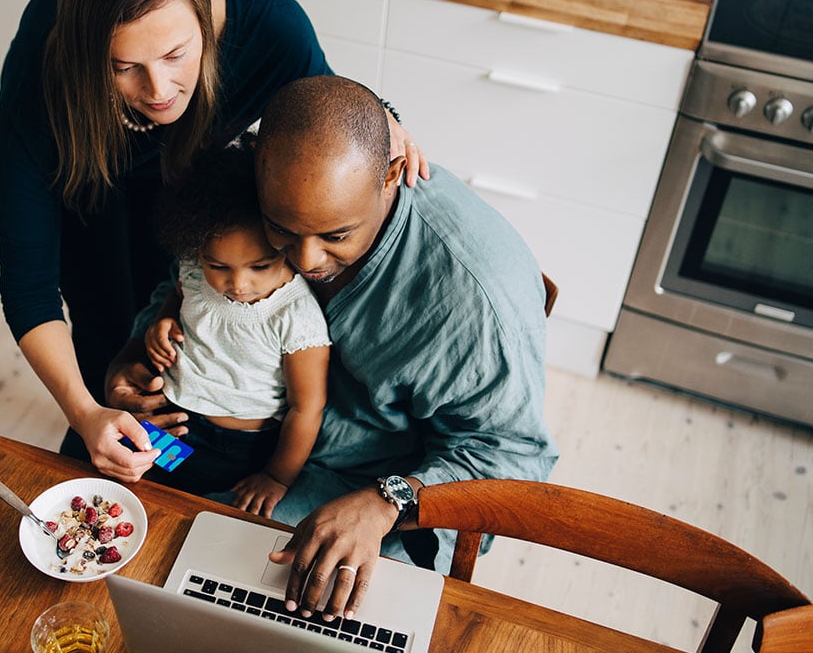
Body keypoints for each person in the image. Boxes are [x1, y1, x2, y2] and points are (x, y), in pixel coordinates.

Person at [108, 74, 557, 622]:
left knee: (229, 597)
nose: (305, 260)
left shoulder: (476, 304)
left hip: (366, 487)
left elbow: (513, 463)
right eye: (280, 230)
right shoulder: (271, 170)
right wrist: (134, 354)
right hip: (229, 432)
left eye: (337, 235)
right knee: (117, 534)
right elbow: (192, 278)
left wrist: (387, 500)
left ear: (391, 176)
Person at [0, 0, 429, 482]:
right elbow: (28, 285)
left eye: (176, 54)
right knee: (109, 341)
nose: (158, 90)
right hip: (96, 198)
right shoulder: (43, 67)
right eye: (124, 67)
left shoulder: (266, 22)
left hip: (208, 206)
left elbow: (322, 112)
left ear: (203, 16)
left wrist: (383, 116)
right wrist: (86, 411)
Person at [142, 144, 330, 518]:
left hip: (235, 446)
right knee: (136, 479)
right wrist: (162, 324)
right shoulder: (195, 272)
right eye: (218, 266)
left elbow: (307, 406)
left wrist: (277, 477)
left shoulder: (295, 315)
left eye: (260, 266)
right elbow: (177, 299)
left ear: (285, 247)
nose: (238, 284)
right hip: (175, 417)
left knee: (187, 509)